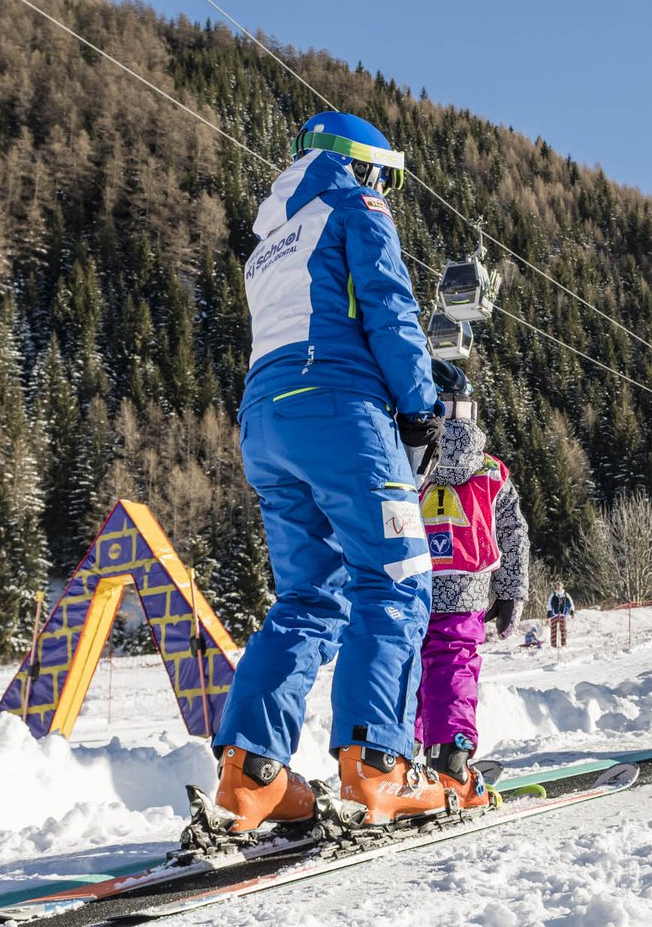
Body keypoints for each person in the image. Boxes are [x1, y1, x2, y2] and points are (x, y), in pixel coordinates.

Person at [211, 111, 445, 831]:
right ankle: (379, 766)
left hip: (266, 419)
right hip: (341, 411)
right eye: (387, 175)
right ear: (365, 164)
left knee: (310, 597)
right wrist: (421, 406)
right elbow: (389, 305)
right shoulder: (356, 204)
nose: (387, 191)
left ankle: (253, 776)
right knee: (397, 582)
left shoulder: (268, 240)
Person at [415, 401, 530, 807]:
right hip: (466, 587)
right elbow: (513, 534)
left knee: (407, 670)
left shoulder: (406, 459)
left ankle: (401, 760)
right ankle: (450, 758)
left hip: (410, 583)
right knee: (453, 665)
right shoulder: (491, 472)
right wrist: (511, 590)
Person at [547, 583, 575, 648]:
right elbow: (549, 604)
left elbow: (571, 603)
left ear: (562, 587)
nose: (558, 587)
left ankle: (563, 644)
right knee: (553, 630)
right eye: (557, 586)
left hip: (563, 614)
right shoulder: (553, 594)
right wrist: (548, 614)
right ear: (555, 587)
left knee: (563, 629)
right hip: (554, 614)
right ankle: (553, 645)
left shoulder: (566, 594)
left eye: (560, 586)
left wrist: (572, 611)